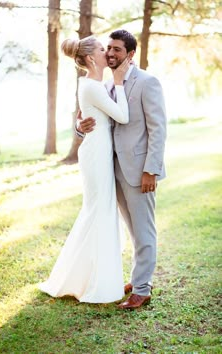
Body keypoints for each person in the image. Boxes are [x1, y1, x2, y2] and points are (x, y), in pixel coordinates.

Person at [78, 30, 167, 309]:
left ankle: (142, 288)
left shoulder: (147, 82)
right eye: (108, 48)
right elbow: (92, 120)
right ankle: (137, 277)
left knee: (144, 230)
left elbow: (158, 129)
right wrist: (80, 128)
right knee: (131, 229)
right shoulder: (106, 85)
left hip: (140, 171)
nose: (110, 54)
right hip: (112, 170)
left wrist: (151, 170)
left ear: (130, 54)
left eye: (117, 49)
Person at [39, 35, 131, 303]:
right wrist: (119, 83)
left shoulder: (92, 84)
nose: (108, 53)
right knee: (99, 211)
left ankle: (91, 277)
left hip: (98, 151)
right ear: (92, 58)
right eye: (103, 50)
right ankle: (95, 282)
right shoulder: (94, 86)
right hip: (95, 154)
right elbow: (122, 117)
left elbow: (94, 117)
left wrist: (81, 125)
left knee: (99, 211)